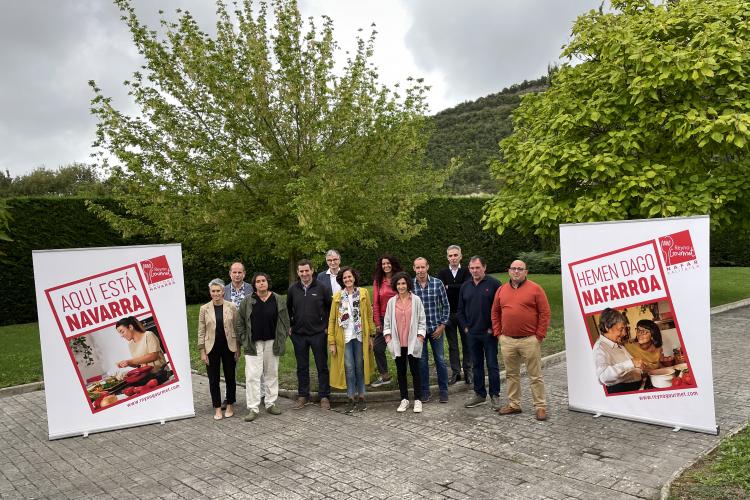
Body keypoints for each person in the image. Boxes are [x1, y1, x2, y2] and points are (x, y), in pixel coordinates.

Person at [491, 260, 551, 421]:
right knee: (511, 374)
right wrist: (498, 334)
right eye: (513, 269)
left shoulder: (535, 289)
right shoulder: (501, 290)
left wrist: (539, 335)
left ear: (526, 272)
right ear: (508, 271)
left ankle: (540, 406)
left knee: (535, 375)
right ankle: (514, 405)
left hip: (529, 340)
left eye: (520, 269)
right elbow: (495, 312)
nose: (516, 272)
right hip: (508, 340)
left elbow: (545, 313)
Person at [236, 272, 289, 422]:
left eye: (263, 281)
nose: (261, 283)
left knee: (271, 373)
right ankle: (253, 408)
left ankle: (270, 403)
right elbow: (239, 322)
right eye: (258, 281)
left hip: (272, 342)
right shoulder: (247, 301)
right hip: (253, 344)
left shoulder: (278, 299)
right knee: (252, 376)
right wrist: (244, 340)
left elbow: (285, 321)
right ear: (254, 285)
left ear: (268, 282)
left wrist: (281, 337)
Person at [327, 267, 376, 413]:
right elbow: (332, 320)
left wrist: (372, 335)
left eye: (350, 277)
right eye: (345, 278)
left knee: (360, 367)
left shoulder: (363, 293)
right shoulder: (337, 297)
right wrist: (332, 342)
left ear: (354, 278)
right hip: (344, 338)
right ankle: (350, 398)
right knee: (348, 369)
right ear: (342, 281)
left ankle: (361, 397)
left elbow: (368, 315)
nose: (348, 280)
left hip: (360, 337)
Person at [457, 256, 502, 409]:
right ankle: (479, 395)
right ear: (469, 269)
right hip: (472, 334)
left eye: (477, 267)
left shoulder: (494, 284)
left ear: (484, 267)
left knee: (492, 365)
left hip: (489, 334)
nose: (475, 271)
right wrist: (465, 328)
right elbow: (460, 310)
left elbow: (501, 309)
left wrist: (494, 328)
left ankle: (495, 395)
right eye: (472, 268)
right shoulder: (465, 286)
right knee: (476, 365)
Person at [287, 259, 332, 410]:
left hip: (318, 333)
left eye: (307, 270)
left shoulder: (322, 288)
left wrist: (326, 326)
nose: (304, 274)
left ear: (312, 270)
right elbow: (288, 309)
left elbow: (330, 309)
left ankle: (324, 396)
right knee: (302, 366)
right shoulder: (293, 289)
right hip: (299, 334)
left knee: (322, 366)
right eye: (301, 271)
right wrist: (290, 326)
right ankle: (303, 395)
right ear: (298, 272)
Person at [197, 279, 240, 420]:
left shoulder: (232, 307)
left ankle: (229, 405)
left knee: (230, 377)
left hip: (229, 347)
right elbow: (201, 331)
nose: (216, 293)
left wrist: (238, 348)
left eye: (218, 291)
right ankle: (217, 408)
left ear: (223, 292)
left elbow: (236, 328)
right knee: (213, 379)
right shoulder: (204, 309)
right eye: (213, 291)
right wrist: (202, 351)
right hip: (211, 348)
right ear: (210, 292)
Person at [383, 272, 426, 413]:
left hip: (413, 342)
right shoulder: (391, 302)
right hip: (397, 343)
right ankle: (404, 399)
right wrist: (389, 340)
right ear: (395, 285)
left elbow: (422, 321)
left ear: (408, 284)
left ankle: (418, 400)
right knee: (401, 372)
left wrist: (419, 338)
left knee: (415, 371)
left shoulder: (416, 300)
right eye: (399, 284)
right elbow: (387, 323)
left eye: (403, 283)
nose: (401, 286)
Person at [413, 257, 450, 403]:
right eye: (418, 267)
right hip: (419, 332)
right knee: (422, 362)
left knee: (440, 360)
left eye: (423, 267)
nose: (421, 270)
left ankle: (444, 391)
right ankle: (425, 391)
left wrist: (442, 326)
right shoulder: (410, 285)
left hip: (436, 329)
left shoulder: (437, 283)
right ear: (414, 268)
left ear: (427, 267)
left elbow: (446, 306)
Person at [438, 244, 472, 385]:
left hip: (464, 313)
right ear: (447, 257)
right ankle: (456, 372)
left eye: (455, 255)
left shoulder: (466, 271)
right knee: (452, 345)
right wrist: (457, 287)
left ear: (460, 256)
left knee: (467, 343)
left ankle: (468, 371)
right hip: (449, 313)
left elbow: (467, 287)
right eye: (450, 255)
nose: (453, 258)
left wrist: (449, 287)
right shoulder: (442, 273)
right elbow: (442, 290)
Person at [223, 261, 254, 411]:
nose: (237, 275)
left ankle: (257, 395)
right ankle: (228, 397)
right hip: (230, 333)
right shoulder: (223, 290)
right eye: (234, 272)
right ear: (230, 274)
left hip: (248, 332)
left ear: (244, 273)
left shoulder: (251, 288)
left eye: (239, 272)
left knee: (254, 364)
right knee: (230, 366)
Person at [593, 308, 646, 394]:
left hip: (637, 387)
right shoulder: (600, 348)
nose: (624, 333)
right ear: (607, 327)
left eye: (624, 329)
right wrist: (631, 363)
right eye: (620, 329)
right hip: (623, 392)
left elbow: (628, 367)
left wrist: (639, 369)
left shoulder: (617, 344)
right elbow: (603, 376)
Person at [371, 254, 403, 387]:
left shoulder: (401, 278)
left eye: (388, 263)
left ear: (393, 264)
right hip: (384, 319)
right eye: (383, 264)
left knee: (401, 348)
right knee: (378, 347)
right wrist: (377, 321)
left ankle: (402, 376)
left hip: (399, 317)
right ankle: (385, 376)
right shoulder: (378, 281)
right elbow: (376, 303)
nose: (386, 266)